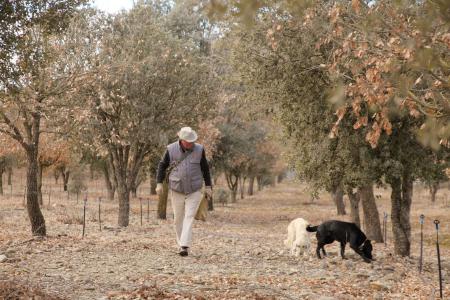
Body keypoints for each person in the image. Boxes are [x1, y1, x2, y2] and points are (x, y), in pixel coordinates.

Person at [156, 126, 212, 257]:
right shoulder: (170, 149)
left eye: (192, 141)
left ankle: (184, 246)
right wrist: (159, 183)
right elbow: (162, 166)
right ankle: (181, 242)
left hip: (195, 189)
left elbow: (205, 169)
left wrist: (209, 186)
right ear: (181, 140)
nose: (191, 143)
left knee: (189, 216)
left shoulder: (199, 149)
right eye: (188, 141)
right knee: (178, 219)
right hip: (177, 189)